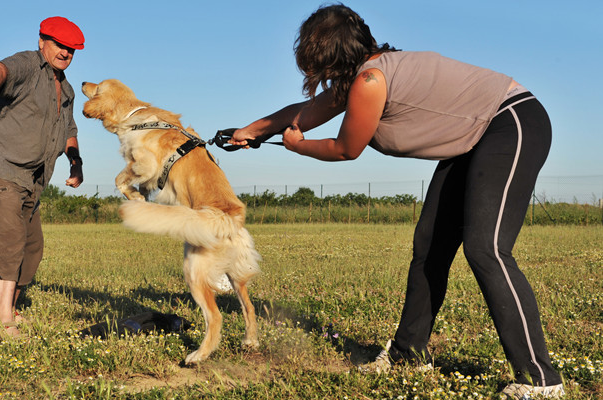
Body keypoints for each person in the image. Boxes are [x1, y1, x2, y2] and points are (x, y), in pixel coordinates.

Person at [231, 4, 563, 399]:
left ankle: (542, 380)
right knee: (430, 247)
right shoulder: (363, 76)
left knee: (486, 247)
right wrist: (251, 130)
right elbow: (302, 113)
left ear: (331, 57)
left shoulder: (371, 80)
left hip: (512, 121)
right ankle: (408, 354)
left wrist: (297, 147)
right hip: (473, 138)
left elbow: (345, 148)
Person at [0, 16, 85, 338]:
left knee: (32, 247)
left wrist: (76, 163)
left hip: (33, 178)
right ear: (43, 40)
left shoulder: (67, 89)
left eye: (72, 49)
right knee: (9, 240)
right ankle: (3, 322)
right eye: (60, 45)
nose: (65, 53)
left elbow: (69, 132)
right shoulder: (27, 65)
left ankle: (10, 308)